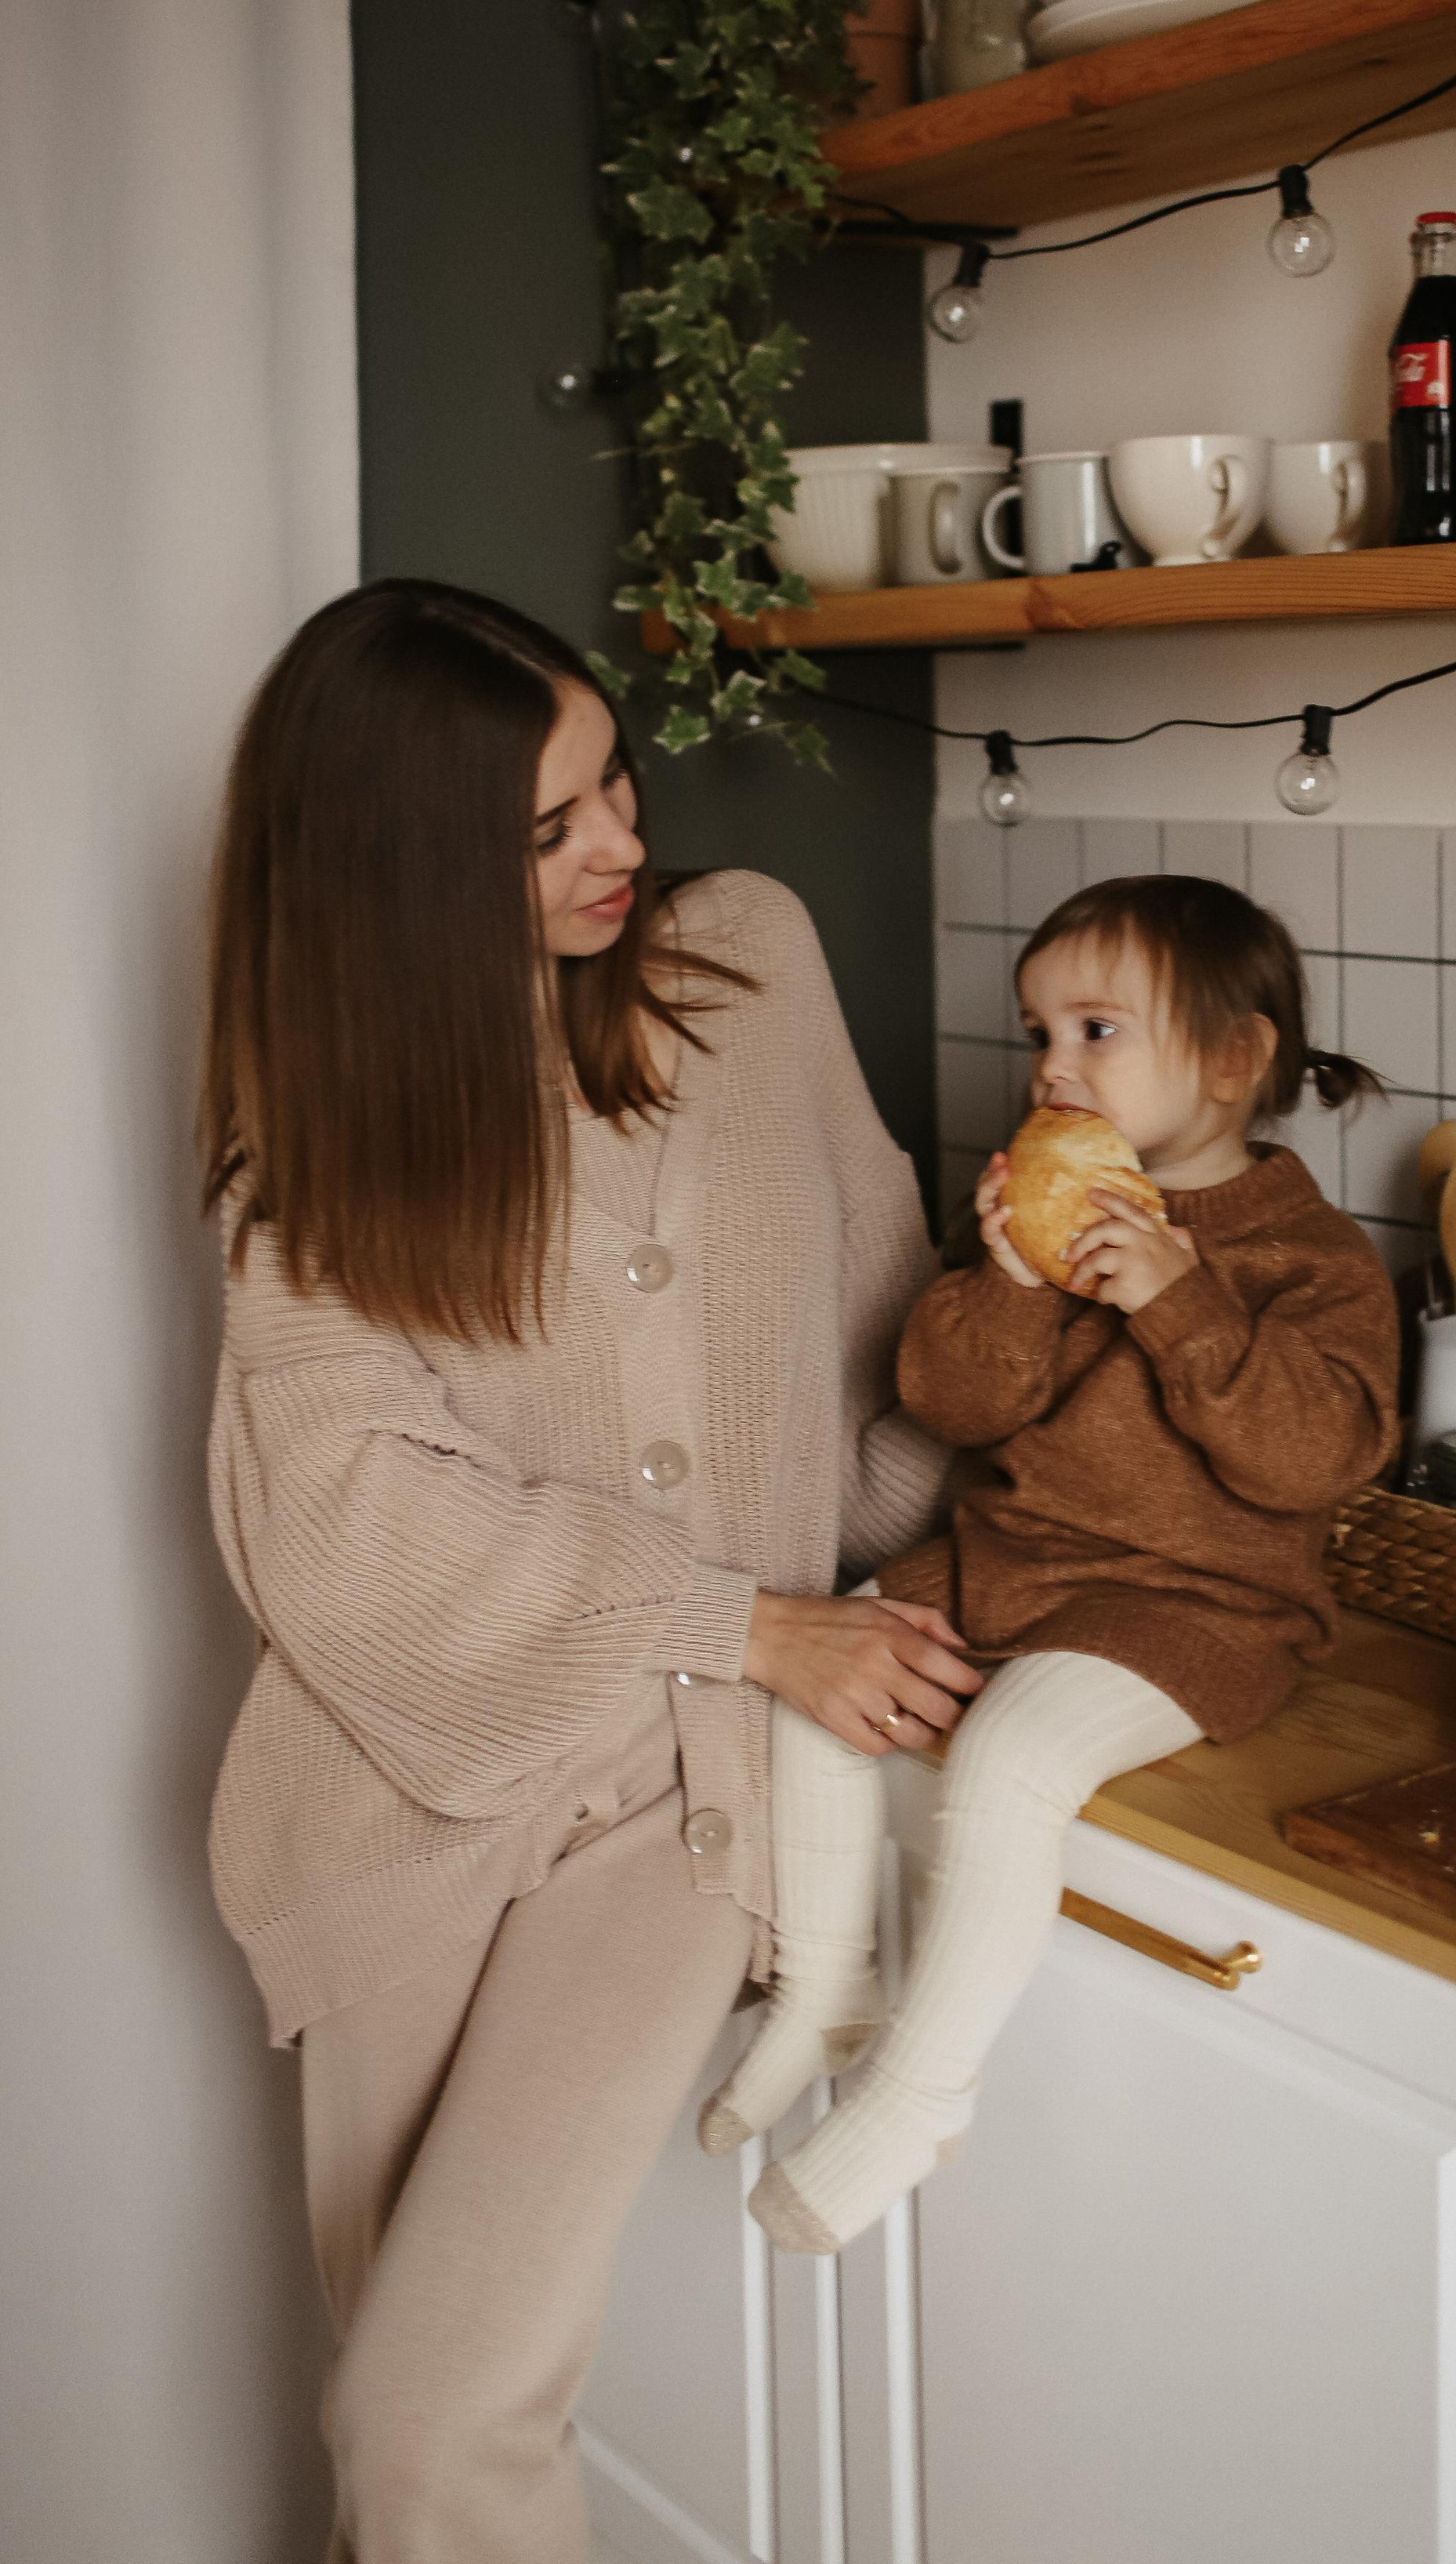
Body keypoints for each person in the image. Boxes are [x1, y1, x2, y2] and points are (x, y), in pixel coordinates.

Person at [197, 578, 980, 2562]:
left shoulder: (746, 963)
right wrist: (742, 1616)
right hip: (390, 1812)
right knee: (403, 2450)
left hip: (672, 1788)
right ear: (400, 871)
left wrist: (1003, 1457)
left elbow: (877, 1347)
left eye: (613, 780)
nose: (620, 843)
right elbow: (346, 1517)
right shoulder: (315, 1151)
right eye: (545, 829)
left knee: (426, 2420)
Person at [701, 872, 1402, 2254]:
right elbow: (952, 1406)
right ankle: (823, 1992)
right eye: (1040, 1033)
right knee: (829, 1674)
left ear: (1232, 1060)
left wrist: (1180, 1300)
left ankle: (919, 2094)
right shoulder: (1047, 1211)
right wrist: (1012, 1282)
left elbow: (1315, 1461)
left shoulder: (1308, 1259)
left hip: (1197, 1609)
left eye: (1096, 1030)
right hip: (1012, 1563)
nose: (1051, 1068)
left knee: (1012, 1760)